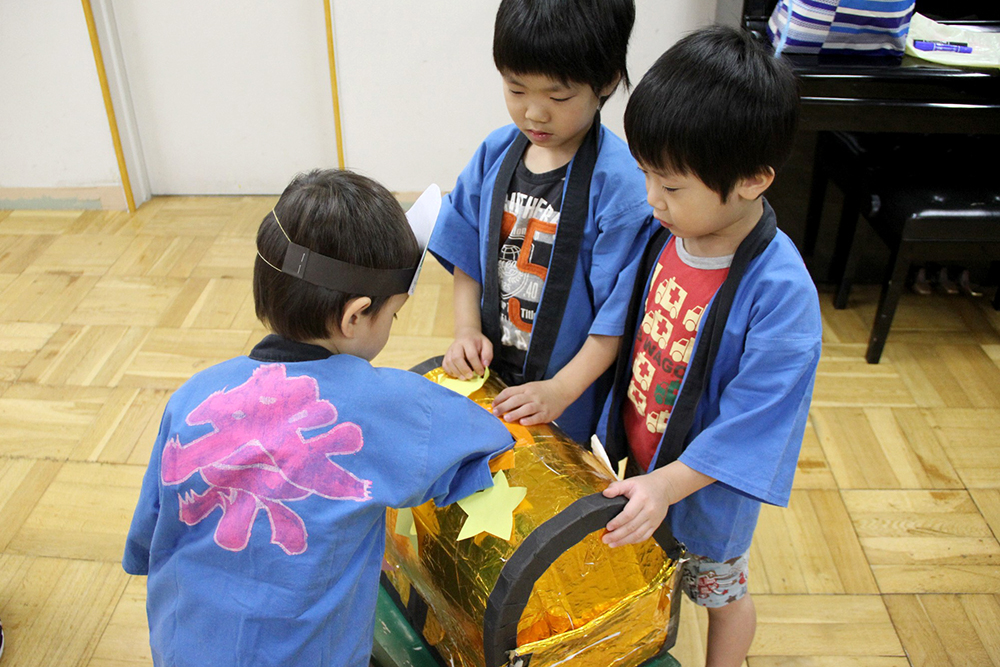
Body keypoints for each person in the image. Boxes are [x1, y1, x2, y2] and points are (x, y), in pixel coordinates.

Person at [122, 169, 513, 667]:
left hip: (183, 648)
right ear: (356, 316)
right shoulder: (389, 405)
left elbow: (148, 538)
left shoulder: (191, 397)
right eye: (394, 316)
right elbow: (486, 438)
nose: (392, 326)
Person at [596, 26, 823, 667]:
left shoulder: (782, 294)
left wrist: (670, 485)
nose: (651, 200)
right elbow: (619, 316)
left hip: (702, 489)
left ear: (752, 179)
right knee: (639, 565)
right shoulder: (666, 230)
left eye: (671, 187)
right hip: (639, 453)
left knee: (718, 590)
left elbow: (756, 424)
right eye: (646, 176)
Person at [428, 0, 655, 444]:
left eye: (558, 96)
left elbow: (618, 316)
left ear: (606, 81)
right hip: (490, 378)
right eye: (516, 90)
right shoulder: (495, 153)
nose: (534, 113)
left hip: (567, 396)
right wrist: (466, 330)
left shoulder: (622, 186)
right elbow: (466, 256)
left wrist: (561, 390)